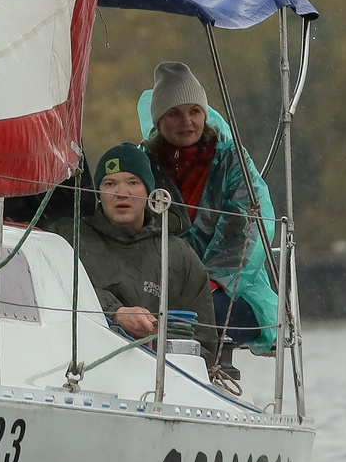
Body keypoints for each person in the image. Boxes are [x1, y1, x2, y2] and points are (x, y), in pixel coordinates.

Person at [139, 62, 281, 361]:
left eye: (195, 111)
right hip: (157, 289)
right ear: (158, 119)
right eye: (174, 113)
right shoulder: (143, 164)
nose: (187, 121)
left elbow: (247, 231)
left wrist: (207, 283)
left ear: (205, 114)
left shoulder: (231, 162)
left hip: (231, 291)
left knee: (195, 317)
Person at [72, 140, 232, 386]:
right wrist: (116, 313)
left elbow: (204, 340)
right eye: (110, 183)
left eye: (133, 183)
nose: (121, 193)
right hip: (81, 370)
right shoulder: (69, 238)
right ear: (99, 193)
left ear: (150, 192)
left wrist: (159, 341)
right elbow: (55, 291)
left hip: (158, 382)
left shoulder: (179, 255)